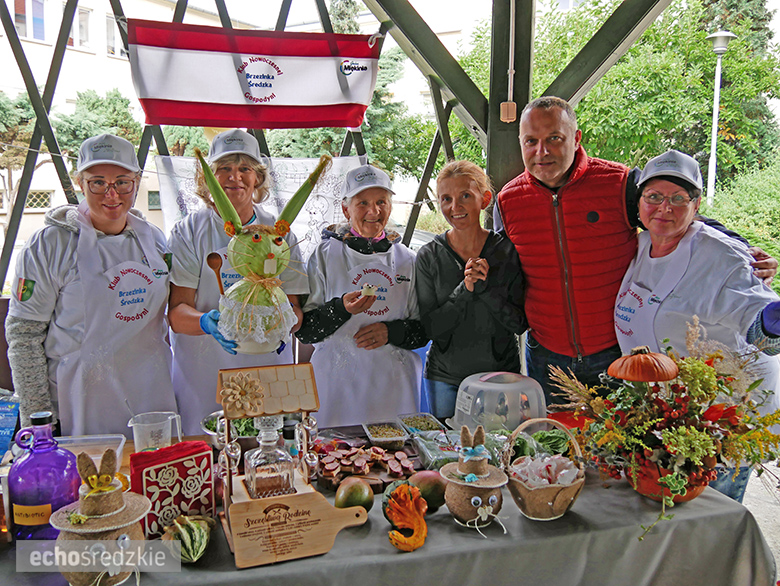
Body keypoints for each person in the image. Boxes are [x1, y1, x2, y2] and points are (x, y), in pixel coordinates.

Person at [496, 96, 778, 404]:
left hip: (618, 352)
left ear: (576, 139)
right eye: (531, 141)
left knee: (623, 433)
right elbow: (503, 268)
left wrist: (744, 249)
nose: (542, 151)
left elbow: (673, 213)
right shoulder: (508, 201)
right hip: (546, 355)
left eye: (554, 138)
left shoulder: (618, 183)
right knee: (553, 433)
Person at [614, 149, 780, 502]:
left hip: (722, 418)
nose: (664, 208)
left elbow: (760, 327)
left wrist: (771, 321)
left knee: (710, 517)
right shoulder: (640, 245)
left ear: (696, 204)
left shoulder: (722, 256)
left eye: (678, 198)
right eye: (654, 197)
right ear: (639, 203)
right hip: (675, 417)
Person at [6, 134, 177, 436]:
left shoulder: (155, 239)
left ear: (136, 183)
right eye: (98, 182)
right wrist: (39, 420)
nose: (112, 194)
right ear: (80, 183)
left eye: (122, 182)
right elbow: (24, 334)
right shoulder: (49, 245)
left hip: (151, 396)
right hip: (77, 401)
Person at [167, 129, 308, 435]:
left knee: (268, 451)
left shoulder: (279, 233)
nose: (235, 177)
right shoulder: (189, 232)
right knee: (213, 448)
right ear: (208, 179)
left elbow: (295, 308)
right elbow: (177, 313)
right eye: (224, 169)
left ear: (258, 178)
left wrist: (281, 322)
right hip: (205, 374)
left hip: (268, 369)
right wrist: (206, 322)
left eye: (245, 168)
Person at [295, 164, 427, 427]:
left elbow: (423, 331)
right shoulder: (325, 255)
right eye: (363, 203)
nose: (373, 211)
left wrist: (391, 332)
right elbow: (305, 331)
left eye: (381, 202)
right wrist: (340, 309)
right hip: (336, 386)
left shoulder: (408, 260)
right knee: (333, 451)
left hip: (392, 388)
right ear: (346, 209)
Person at [415, 160, 527, 420]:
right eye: (446, 199)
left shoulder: (505, 250)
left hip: (500, 377)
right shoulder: (429, 256)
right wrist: (464, 290)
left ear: (485, 199)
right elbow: (430, 328)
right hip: (446, 379)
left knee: (500, 444)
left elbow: (519, 323)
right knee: (447, 445)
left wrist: (486, 289)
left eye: (465, 195)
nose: (455, 207)